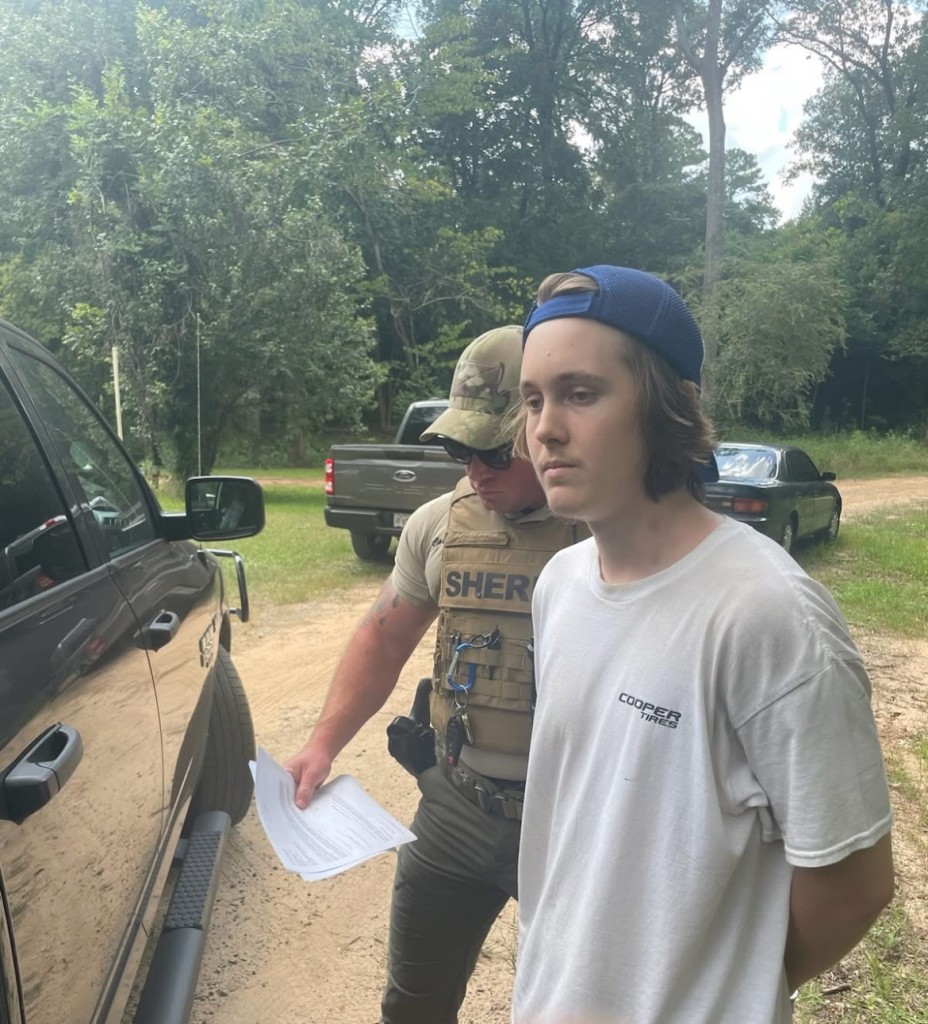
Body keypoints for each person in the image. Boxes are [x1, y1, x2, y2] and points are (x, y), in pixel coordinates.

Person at [511, 265, 895, 1024]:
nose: (545, 427)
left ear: (666, 409)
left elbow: (854, 881)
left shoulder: (766, 613)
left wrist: (720, 988)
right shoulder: (557, 586)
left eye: (581, 394)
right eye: (532, 400)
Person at [284, 325, 583, 1024]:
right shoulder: (437, 525)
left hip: (576, 819)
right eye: (458, 449)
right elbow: (382, 640)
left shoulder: (615, 531)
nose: (474, 469)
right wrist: (322, 744)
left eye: (490, 450)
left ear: (543, 429)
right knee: (413, 1005)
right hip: (455, 807)